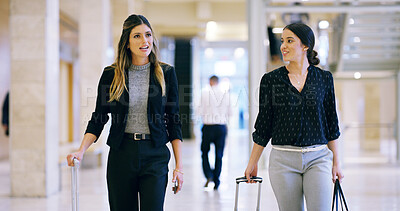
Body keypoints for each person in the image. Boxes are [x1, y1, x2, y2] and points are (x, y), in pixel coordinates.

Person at [66, 14, 183, 211]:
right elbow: (99, 117)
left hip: (155, 154)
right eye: (137, 36)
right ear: (127, 42)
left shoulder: (166, 73)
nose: (144, 41)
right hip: (122, 154)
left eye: (147, 35)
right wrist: (81, 150)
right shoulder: (111, 74)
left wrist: (179, 167)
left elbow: (174, 121)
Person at [244, 23, 344, 211]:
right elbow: (263, 126)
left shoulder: (324, 78)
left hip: (318, 158)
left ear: (305, 45)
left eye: (290, 41)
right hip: (283, 160)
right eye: (282, 41)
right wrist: (252, 162)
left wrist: (337, 163)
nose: (283, 46)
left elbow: (332, 123)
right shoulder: (271, 80)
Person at [198, 75, 231, 190]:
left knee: (204, 152)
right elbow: (230, 112)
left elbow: (199, 111)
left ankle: (209, 175)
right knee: (219, 155)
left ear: (210, 81)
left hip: (208, 127)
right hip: (221, 127)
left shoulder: (205, 93)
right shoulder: (225, 93)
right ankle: (217, 180)